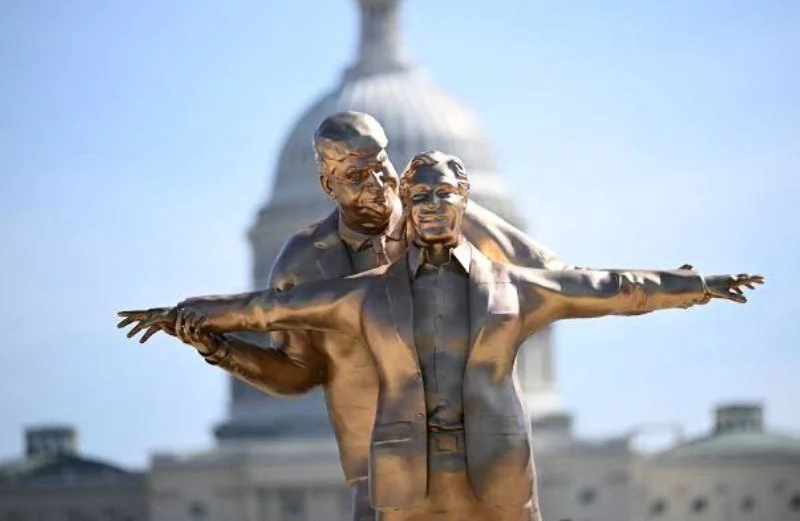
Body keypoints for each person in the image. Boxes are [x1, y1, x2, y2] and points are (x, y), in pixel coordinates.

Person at [120, 150, 762, 521]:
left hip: (497, 463)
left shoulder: (516, 286)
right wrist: (187, 315)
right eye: (418, 195)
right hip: (405, 469)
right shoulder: (365, 292)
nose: (430, 205)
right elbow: (268, 308)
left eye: (443, 194)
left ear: (465, 200)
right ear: (406, 203)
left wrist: (696, 284)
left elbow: (611, 287)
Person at [138, 111, 568, 520]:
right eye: (358, 176)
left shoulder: (446, 217)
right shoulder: (303, 263)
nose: (379, 184)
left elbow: (553, 280)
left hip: (482, 455)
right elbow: (298, 372)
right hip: (382, 470)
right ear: (328, 184)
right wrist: (218, 349)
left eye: (382, 166)